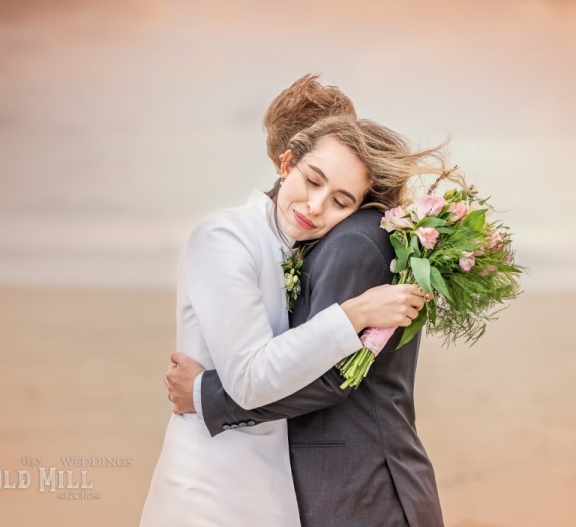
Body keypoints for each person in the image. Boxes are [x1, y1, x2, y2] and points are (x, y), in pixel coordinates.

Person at [140, 76, 440, 527]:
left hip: (277, 490)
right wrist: (355, 312)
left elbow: (318, 374)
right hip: (213, 488)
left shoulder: (333, 241)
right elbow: (250, 377)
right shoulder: (226, 236)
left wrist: (204, 393)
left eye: (340, 199)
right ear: (287, 161)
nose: (316, 206)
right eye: (312, 179)